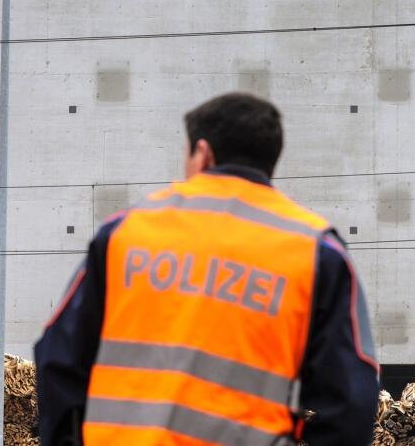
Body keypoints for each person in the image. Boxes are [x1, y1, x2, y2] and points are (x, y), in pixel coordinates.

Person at [34, 92, 380, 446]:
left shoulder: (126, 232)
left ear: (202, 154)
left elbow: (57, 359)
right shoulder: (316, 250)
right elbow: (351, 399)